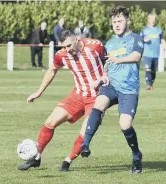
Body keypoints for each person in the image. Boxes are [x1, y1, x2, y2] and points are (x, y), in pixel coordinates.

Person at [18, 30, 106, 172]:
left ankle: (67, 162)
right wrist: (38, 92)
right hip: (77, 95)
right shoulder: (62, 55)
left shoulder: (94, 46)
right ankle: (36, 157)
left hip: (97, 98)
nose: (67, 49)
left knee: (85, 131)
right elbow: (52, 69)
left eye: (70, 45)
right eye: (64, 47)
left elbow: (108, 60)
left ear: (77, 39)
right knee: (50, 122)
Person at [80, 6, 144, 174]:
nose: (116, 24)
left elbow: (136, 57)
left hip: (129, 89)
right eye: (114, 21)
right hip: (111, 86)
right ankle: (85, 144)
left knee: (125, 124)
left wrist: (118, 59)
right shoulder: (109, 43)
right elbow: (107, 65)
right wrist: (101, 77)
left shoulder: (137, 39)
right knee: (99, 104)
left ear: (128, 21)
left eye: (120, 21)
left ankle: (136, 155)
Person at [140, 13, 166, 90]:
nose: (153, 20)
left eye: (154, 19)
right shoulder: (144, 30)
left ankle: (151, 84)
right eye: (151, 19)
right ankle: (148, 85)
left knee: (153, 71)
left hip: (156, 54)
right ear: (148, 20)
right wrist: (144, 40)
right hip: (147, 53)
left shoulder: (158, 30)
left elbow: (162, 40)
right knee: (148, 69)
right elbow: (139, 40)